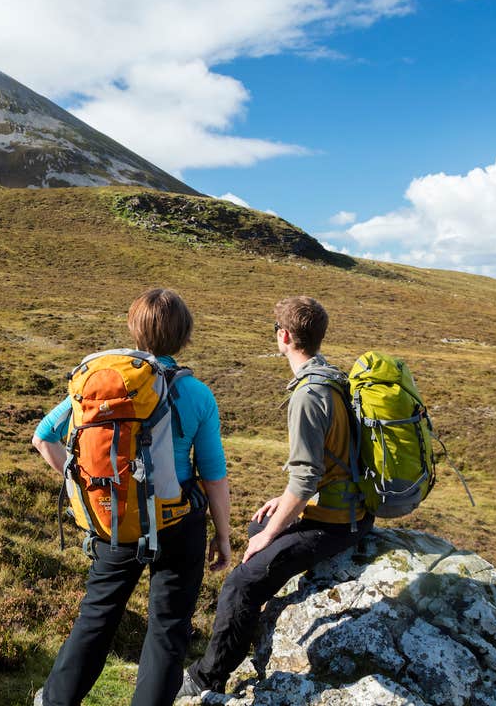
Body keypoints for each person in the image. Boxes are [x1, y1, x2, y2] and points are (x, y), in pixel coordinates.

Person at [32, 288, 232, 706]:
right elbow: (213, 473)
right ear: (184, 336)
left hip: (117, 518)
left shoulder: (103, 382)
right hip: (179, 524)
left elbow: (43, 437)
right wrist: (224, 537)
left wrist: (87, 487)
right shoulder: (197, 394)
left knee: (96, 617)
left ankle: (55, 701)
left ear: (134, 330)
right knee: (168, 626)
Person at [180, 295, 374, 697]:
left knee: (242, 582)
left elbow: (305, 480)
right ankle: (248, 632)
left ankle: (206, 678)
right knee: (259, 522)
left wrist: (267, 538)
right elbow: (326, 465)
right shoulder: (331, 376)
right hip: (349, 506)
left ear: (284, 337)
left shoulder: (307, 395)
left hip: (337, 522)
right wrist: (278, 507)